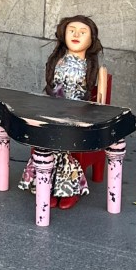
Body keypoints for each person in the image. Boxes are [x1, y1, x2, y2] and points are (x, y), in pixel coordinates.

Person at [17, 15, 108, 209]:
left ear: (91, 39)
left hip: (78, 115)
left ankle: (66, 188)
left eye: (82, 32)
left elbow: (101, 103)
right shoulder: (57, 62)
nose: (76, 35)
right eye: (71, 31)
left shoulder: (95, 69)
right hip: (53, 111)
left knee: (62, 141)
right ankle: (48, 186)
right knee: (45, 134)